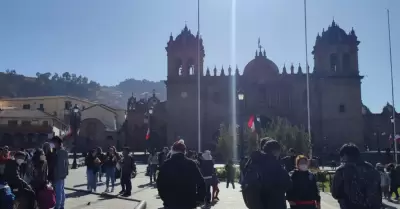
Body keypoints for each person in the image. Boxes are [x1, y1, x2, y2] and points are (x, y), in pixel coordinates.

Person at [242, 138, 291, 209]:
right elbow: (288, 183)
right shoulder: (275, 165)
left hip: (258, 205)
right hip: (275, 203)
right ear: (275, 151)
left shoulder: (254, 163)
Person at [157, 140, 206, 209]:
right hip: (189, 203)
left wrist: (165, 198)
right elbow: (201, 182)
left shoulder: (166, 164)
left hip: (171, 203)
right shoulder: (191, 164)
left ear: (172, 150)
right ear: (184, 151)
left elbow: (160, 184)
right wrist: (199, 199)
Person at [331, 143, 381, 209]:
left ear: (345, 155)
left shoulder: (341, 171)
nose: (341, 159)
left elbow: (335, 194)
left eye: (342, 156)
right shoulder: (371, 168)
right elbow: (378, 190)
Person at [51, 136, 69, 209]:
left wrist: (65, 173)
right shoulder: (57, 151)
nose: (53, 144)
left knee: (59, 191)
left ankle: (58, 206)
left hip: (59, 174)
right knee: (61, 190)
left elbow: (66, 164)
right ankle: (61, 205)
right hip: (59, 174)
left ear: (58, 143)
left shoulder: (61, 152)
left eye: (54, 143)